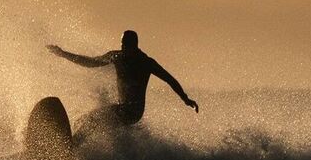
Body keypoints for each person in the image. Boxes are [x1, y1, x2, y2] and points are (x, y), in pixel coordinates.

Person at [47, 30, 198, 134]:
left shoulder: (146, 62)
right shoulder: (116, 57)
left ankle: (71, 150)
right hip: (121, 108)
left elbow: (169, 79)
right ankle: (80, 151)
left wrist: (185, 98)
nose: (123, 48)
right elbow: (90, 62)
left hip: (133, 112)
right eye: (122, 44)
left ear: (135, 45)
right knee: (83, 121)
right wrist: (63, 54)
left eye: (126, 45)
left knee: (93, 120)